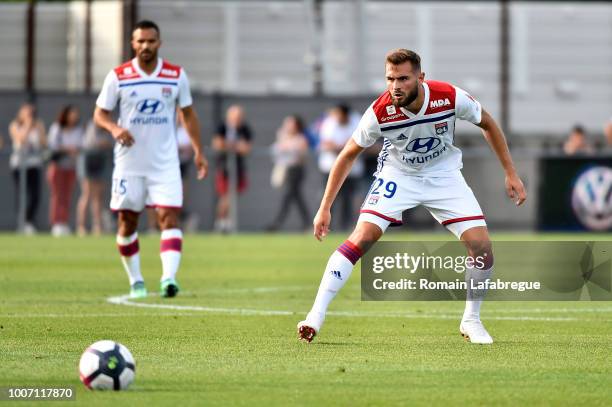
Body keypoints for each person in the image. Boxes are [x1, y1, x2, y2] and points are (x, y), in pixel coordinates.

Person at [298, 49, 527, 344]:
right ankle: (315, 316)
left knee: (482, 247)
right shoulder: (379, 112)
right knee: (362, 237)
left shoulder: (449, 97)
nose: (395, 86)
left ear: (421, 78)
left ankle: (471, 320)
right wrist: (324, 207)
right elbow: (347, 155)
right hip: (398, 175)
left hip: (444, 176)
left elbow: (488, 124)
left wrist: (510, 173)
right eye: (390, 79)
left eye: (403, 78)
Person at [93, 20, 208, 299]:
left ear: (159, 43)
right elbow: (100, 114)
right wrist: (115, 128)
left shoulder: (175, 75)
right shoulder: (118, 76)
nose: (146, 46)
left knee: (168, 217)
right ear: (133, 44)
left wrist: (198, 150)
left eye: (151, 41)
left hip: (164, 163)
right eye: (140, 41)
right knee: (128, 222)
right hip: (129, 164)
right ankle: (136, 281)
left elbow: (188, 114)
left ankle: (169, 279)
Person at [318, 104, 364, 230]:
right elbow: (326, 143)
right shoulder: (329, 122)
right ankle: (327, 226)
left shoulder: (357, 121)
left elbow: (358, 144)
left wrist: (343, 148)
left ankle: (345, 225)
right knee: (328, 198)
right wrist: (344, 148)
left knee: (347, 199)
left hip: (351, 170)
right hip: (330, 167)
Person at [212, 105, 252, 233]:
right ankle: (221, 222)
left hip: (238, 168)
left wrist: (229, 145)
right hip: (224, 167)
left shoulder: (245, 129)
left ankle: (226, 221)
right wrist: (235, 146)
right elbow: (217, 144)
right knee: (225, 195)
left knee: (233, 195)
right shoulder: (222, 127)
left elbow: (246, 148)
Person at [267, 115, 310, 231]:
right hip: (285, 169)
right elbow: (275, 151)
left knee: (288, 196)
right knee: (296, 197)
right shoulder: (282, 136)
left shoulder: (301, 138)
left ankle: (276, 223)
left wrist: (288, 147)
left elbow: (301, 156)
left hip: (295, 170)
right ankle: (307, 223)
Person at [8, 103, 47, 235]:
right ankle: (21, 222)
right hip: (19, 165)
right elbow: (21, 140)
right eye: (27, 112)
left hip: (34, 164)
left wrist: (38, 128)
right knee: (22, 194)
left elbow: (44, 143)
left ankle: (28, 221)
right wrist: (27, 125)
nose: (30, 115)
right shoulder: (15, 125)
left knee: (35, 195)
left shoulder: (38, 125)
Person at [47, 105, 83, 236]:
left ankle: (64, 222)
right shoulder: (57, 128)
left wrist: (75, 150)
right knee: (57, 195)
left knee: (67, 196)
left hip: (71, 167)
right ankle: (56, 223)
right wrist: (68, 149)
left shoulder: (78, 130)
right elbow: (52, 145)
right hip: (57, 166)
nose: (74, 116)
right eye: (72, 113)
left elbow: (81, 145)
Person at [76, 120, 113, 236]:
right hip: (87, 160)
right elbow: (90, 143)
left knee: (98, 197)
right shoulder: (91, 126)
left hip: (100, 160)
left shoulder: (108, 126)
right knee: (86, 194)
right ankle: (81, 227)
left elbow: (111, 142)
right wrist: (102, 143)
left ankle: (97, 226)